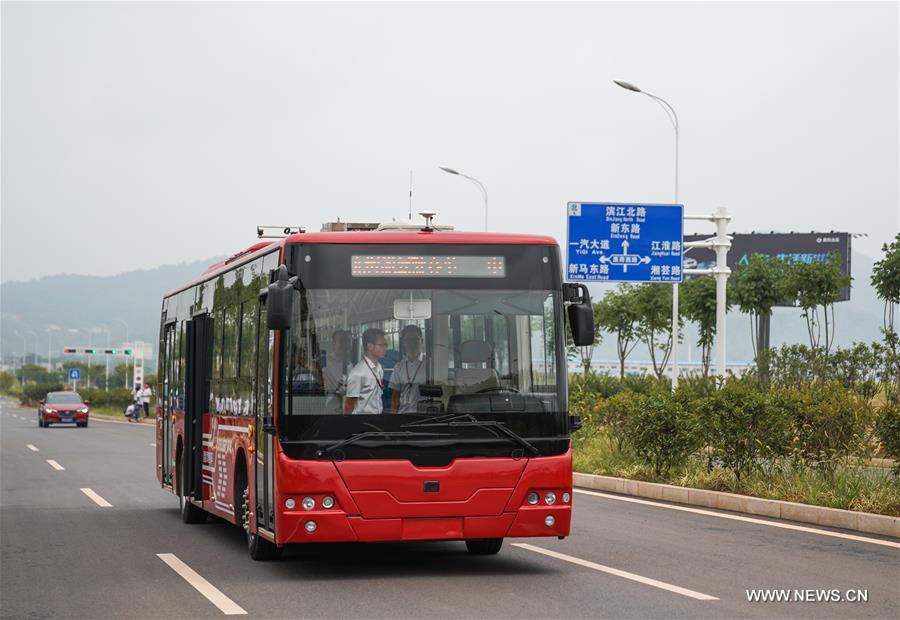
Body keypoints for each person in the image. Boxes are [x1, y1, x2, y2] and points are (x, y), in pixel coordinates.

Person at [343, 328, 387, 415]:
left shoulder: (379, 368)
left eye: (386, 345)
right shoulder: (358, 373)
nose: (385, 348)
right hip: (362, 420)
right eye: (382, 345)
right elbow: (349, 405)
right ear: (370, 346)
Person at [390, 325, 427, 414]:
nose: (412, 343)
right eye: (408, 340)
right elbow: (395, 398)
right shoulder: (398, 367)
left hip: (423, 416)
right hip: (402, 414)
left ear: (422, 341)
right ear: (403, 343)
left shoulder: (429, 364)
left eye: (415, 339)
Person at [323, 330, 352, 414]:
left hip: (346, 407)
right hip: (331, 407)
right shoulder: (325, 361)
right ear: (333, 344)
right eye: (341, 341)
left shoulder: (350, 365)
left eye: (346, 342)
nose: (344, 345)